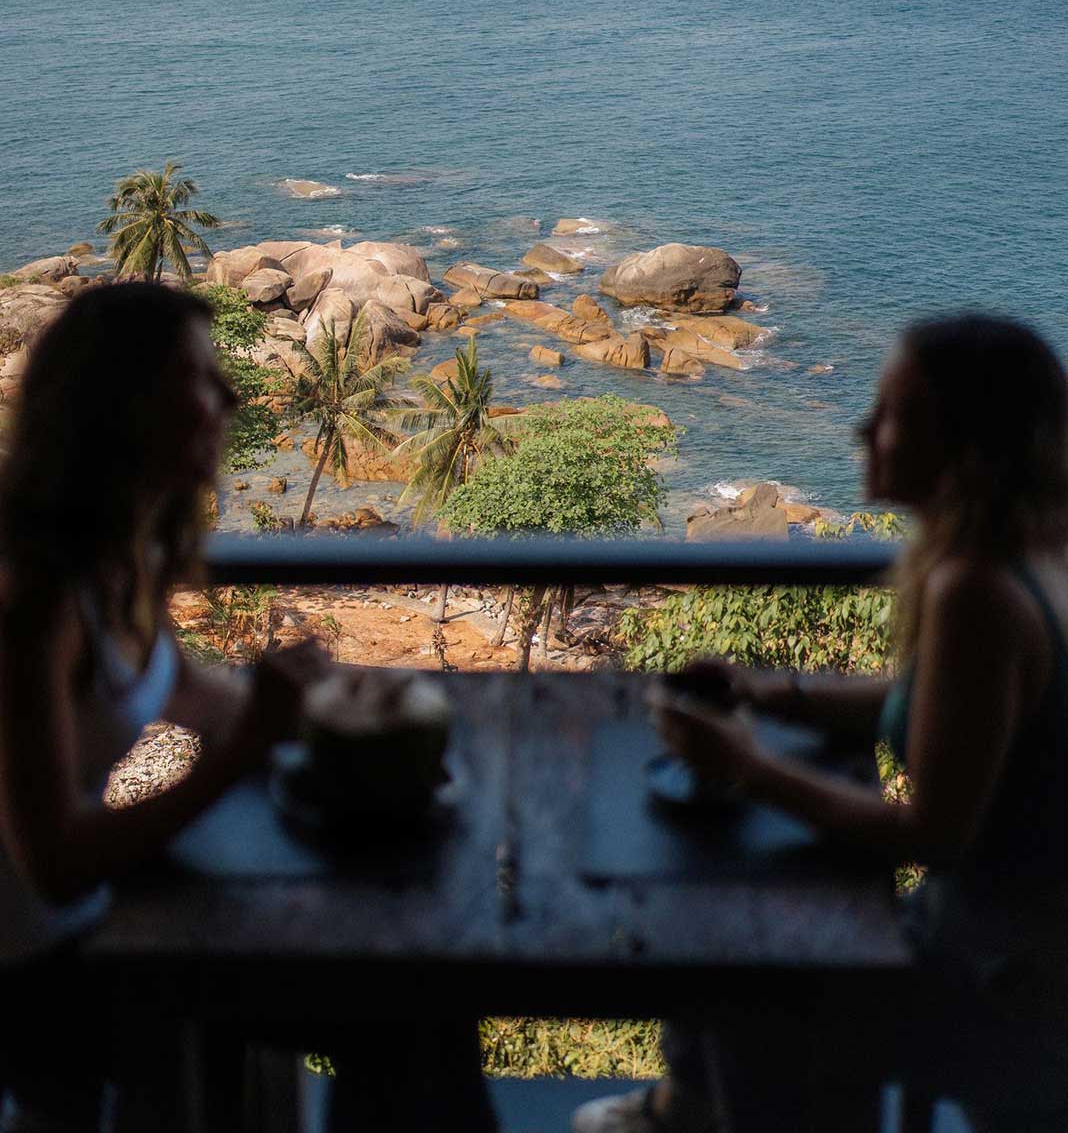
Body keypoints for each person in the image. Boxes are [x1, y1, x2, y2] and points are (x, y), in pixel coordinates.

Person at [0, 283, 497, 1132]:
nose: (231, 398)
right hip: (43, 966)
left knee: (414, 985)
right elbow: (53, 862)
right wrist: (243, 750)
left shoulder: (126, 555)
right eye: (202, 379)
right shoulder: (36, 600)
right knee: (406, 1006)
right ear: (124, 406)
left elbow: (196, 696)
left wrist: (334, 701)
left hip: (107, 913)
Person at [574, 314, 1068, 1133]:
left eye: (892, 414)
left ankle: (701, 1113)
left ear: (966, 446)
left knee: (747, 962)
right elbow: (944, 704)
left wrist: (747, 767)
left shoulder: (975, 591)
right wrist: (772, 695)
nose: (862, 430)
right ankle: (691, 1105)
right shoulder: (1040, 551)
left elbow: (934, 833)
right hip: (1031, 951)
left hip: (1006, 988)